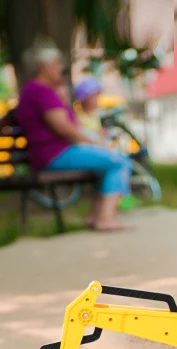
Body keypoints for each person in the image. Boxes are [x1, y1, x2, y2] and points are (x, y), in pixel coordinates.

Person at [15, 46, 132, 231]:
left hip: (54, 153)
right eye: (56, 64)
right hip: (55, 154)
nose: (59, 69)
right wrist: (95, 144)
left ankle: (94, 216)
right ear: (42, 66)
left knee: (109, 162)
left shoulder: (39, 91)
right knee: (117, 161)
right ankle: (106, 218)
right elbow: (64, 128)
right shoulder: (40, 91)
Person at [72, 78, 109, 143]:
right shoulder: (79, 117)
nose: (97, 100)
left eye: (98, 96)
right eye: (94, 97)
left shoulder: (94, 114)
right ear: (84, 99)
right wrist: (98, 133)